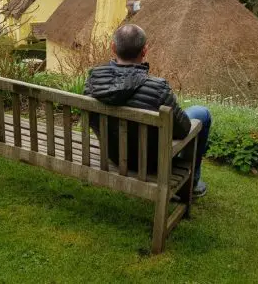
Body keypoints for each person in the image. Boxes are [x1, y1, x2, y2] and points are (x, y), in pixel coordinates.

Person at [83, 24, 212, 197]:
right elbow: (183, 130)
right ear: (144, 51)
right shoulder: (158, 87)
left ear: (113, 47)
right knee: (201, 113)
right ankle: (191, 184)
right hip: (150, 163)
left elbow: (91, 117)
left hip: (113, 154)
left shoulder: (93, 80)